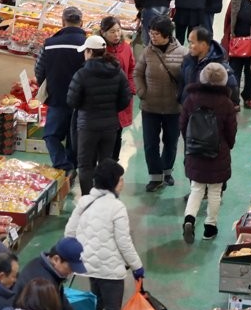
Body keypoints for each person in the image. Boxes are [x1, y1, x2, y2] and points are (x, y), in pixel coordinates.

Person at [65, 159, 143, 310]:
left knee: (96, 302)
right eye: (121, 178)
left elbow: (69, 233)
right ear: (113, 182)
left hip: (89, 266)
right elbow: (124, 242)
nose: (123, 182)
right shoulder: (117, 208)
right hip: (110, 270)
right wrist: (137, 267)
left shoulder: (84, 202)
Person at [66, 35, 132, 195]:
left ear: (89, 52)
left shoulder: (82, 74)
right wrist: (111, 109)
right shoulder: (118, 72)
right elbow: (125, 99)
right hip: (110, 126)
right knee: (106, 163)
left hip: (87, 126)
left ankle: (88, 199)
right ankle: (106, 197)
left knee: (85, 165)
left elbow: (72, 101)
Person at [179, 63, 237, 242]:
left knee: (196, 188)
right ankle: (210, 228)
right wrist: (229, 145)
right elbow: (231, 130)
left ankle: (189, 218)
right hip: (217, 153)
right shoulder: (226, 103)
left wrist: (190, 144)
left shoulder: (191, 99)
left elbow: (183, 125)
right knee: (214, 191)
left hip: (195, 151)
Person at [135, 16, 186, 191]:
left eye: (156, 34)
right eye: (151, 33)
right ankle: (155, 177)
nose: (152, 37)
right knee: (150, 143)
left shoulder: (182, 53)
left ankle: (167, 172)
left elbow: (188, 78)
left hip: (174, 107)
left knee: (171, 141)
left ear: (166, 35)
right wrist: (142, 92)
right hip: (150, 106)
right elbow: (137, 73)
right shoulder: (147, 52)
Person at [34, 7, 86, 176]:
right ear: (82, 22)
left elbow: (39, 69)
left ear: (62, 22)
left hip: (57, 98)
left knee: (51, 135)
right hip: (81, 100)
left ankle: (64, 166)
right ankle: (72, 167)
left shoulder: (49, 44)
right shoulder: (87, 44)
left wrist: (48, 85)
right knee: (75, 138)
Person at [15, 237, 86, 310]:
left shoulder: (41, 264)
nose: (72, 271)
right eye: (70, 267)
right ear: (56, 259)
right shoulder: (44, 285)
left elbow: (59, 293)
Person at [99, 16, 135, 161]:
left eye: (118, 31)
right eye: (112, 31)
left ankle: (113, 163)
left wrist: (131, 88)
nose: (116, 34)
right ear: (103, 33)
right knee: (104, 133)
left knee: (117, 132)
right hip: (103, 99)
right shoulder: (99, 49)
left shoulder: (126, 48)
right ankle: (102, 163)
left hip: (121, 98)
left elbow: (132, 69)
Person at [179, 26, 239, 107]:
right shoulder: (187, 61)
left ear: (203, 45)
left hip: (210, 115)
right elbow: (182, 83)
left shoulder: (220, 67)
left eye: (192, 43)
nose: (189, 46)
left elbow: (233, 92)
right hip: (189, 111)